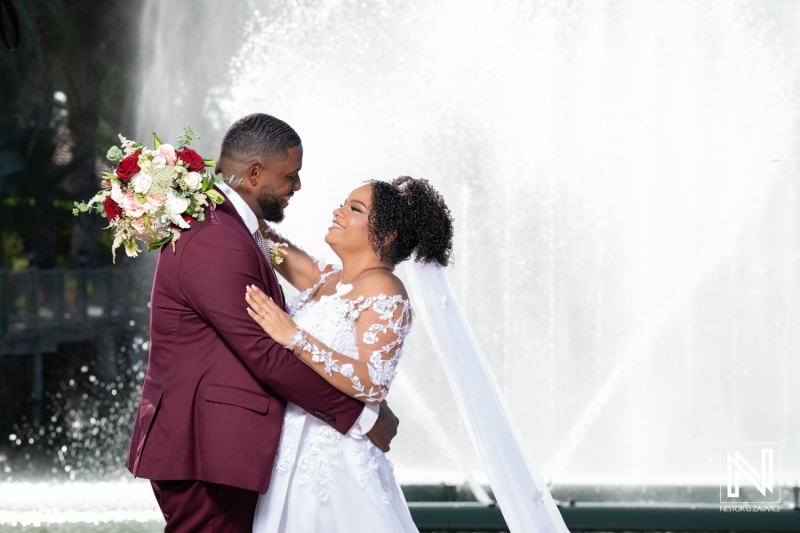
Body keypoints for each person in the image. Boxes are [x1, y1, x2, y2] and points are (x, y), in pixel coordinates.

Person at [125, 113, 400, 532]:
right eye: (291, 175)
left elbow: (282, 262)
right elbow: (263, 353)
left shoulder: (232, 226)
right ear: (255, 173)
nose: (298, 187)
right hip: (205, 447)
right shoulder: (217, 235)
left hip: (228, 446)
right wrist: (361, 418)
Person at [245, 176, 453, 532]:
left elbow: (373, 383)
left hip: (334, 456)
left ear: (386, 236)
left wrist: (295, 337)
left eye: (354, 209)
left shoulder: (386, 289)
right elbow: (266, 240)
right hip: (288, 444)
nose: (337, 211)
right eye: (343, 203)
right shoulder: (325, 279)